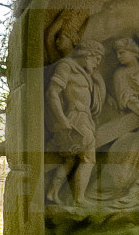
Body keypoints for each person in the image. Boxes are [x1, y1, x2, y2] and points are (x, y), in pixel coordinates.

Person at [45, 40, 107, 206]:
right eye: (96, 59)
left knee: (71, 160)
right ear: (88, 55)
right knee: (88, 159)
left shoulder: (85, 73)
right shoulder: (67, 66)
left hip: (85, 119)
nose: (96, 64)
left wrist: (98, 80)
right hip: (74, 118)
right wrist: (63, 120)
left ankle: (52, 193)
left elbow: (94, 102)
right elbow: (52, 93)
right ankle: (79, 199)